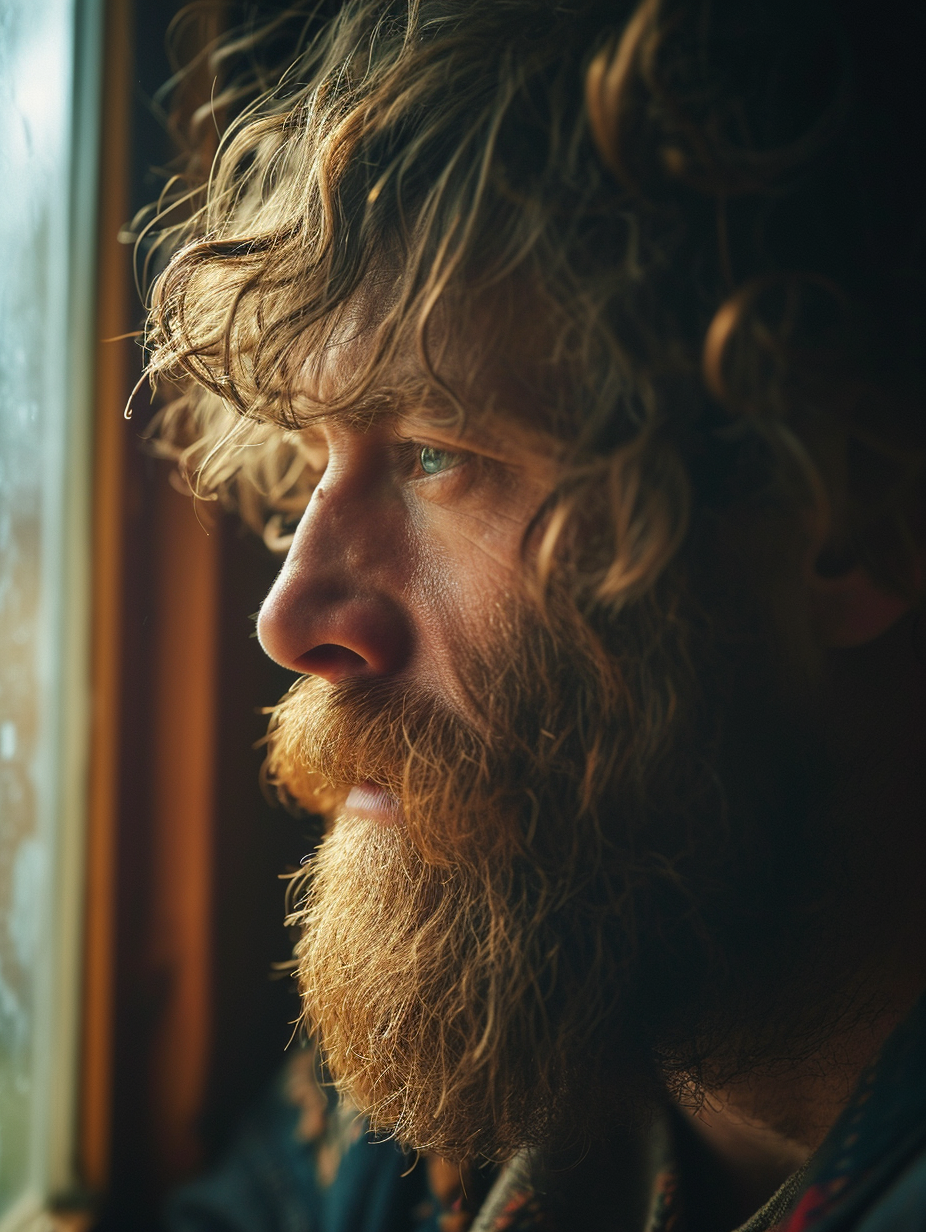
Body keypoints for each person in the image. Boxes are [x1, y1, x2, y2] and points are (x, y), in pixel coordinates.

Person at [151, 0, 926, 1227]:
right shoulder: (531, 983)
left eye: (431, 454)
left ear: (844, 518)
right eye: (314, 457)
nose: (288, 617)